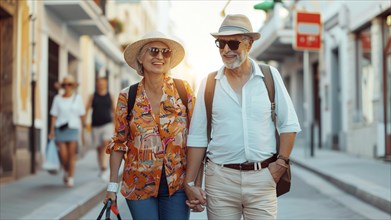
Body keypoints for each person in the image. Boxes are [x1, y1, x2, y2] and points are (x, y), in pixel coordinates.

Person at [184, 14, 302, 219]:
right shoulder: (209, 83)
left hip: (262, 179)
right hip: (220, 180)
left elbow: (288, 124)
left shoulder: (270, 76)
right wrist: (190, 183)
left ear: (249, 44)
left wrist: (280, 164)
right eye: (221, 44)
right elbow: (197, 137)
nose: (226, 50)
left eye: (233, 43)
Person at [103, 31, 197, 220]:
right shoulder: (127, 96)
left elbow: (197, 137)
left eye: (166, 52)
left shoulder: (183, 90)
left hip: (177, 185)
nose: (160, 57)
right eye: (153, 51)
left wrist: (195, 182)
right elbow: (119, 143)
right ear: (140, 57)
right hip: (138, 185)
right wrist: (112, 188)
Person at [48, 75, 85, 188]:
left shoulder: (77, 98)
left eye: (69, 84)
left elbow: (81, 116)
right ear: (62, 86)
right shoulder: (57, 99)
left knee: (71, 155)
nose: (67, 86)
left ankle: (71, 177)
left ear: (73, 86)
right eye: (65, 84)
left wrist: (82, 133)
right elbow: (54, 116)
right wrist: (51, 131)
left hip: (73, 129)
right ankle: (66, 170)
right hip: (60, 129)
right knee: (63, 155)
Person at [85, 76, 115, 178]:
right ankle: (102, 168)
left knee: (105, 143)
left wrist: (116, 125)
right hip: (95, 125)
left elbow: (114, 111)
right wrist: (84, 121)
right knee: (98, 148)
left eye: (103, 83)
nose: (101, 84)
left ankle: (104, 165)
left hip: (107, 124)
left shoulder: (110, 96)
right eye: (99, 82)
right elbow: (87, 108)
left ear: (106, 84)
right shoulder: (92, 96)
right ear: (97, 84)